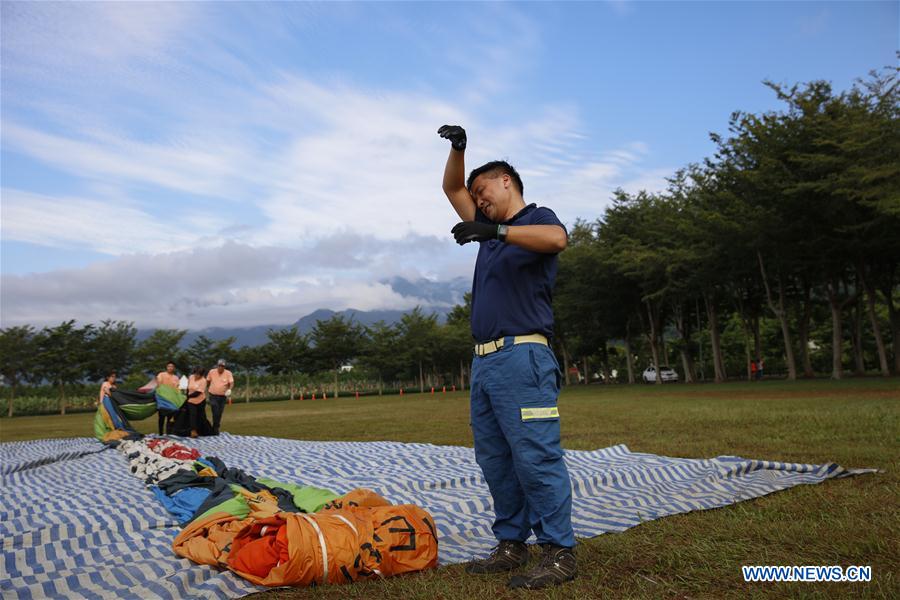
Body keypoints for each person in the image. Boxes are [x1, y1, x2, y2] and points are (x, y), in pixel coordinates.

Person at [438, 124, 576, 589]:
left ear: (506, 182)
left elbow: (557, 240)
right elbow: (452, 188)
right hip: (485, 362)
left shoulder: (535, 218)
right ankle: (512, 543)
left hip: (523, 355)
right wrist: (459, 149)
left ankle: (559, 552)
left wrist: (495, 229)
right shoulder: (490, 232)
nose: (477, 200)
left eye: (484, 191)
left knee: (535, 456)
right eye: (476, 197)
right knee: (495, 460)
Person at [206, 358, 234, 435]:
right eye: (219, 366)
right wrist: (206, 388)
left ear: (224, 367)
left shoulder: (228, 373)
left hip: (222, 396)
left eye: (222, 366)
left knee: (219, 412)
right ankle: (215, 428)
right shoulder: (212, 372)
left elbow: (231, 383)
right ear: (217, 365)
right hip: (213, 395)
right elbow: (207, 381)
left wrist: (230, 389)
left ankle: (216, 427)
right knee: (215, 410)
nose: (221, 367)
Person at [157, 361, 179, 434]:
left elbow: (177, 389)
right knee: (161, 417)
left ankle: (168, 433)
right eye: (169, 366)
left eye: (172, 366)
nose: (170, 368)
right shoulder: (161, 374)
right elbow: (159, 384)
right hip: (163, 398)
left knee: (170, 418)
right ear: (166, 367)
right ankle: (160, 433)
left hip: (171, 400)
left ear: (174, 368)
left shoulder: (176, 377)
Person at [186, 366, 209, 438]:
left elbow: (197, 393)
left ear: (201, 375)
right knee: (193, 415)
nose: (196, 375)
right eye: (195, 373)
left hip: (200, 401)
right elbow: (188, 388)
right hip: (191, 401)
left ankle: (204, 431)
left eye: (198, 374)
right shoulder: (191, 377)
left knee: (202, 416)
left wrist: (187, 396)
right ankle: (193, 431)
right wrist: (187, 395)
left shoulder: (203, 381)